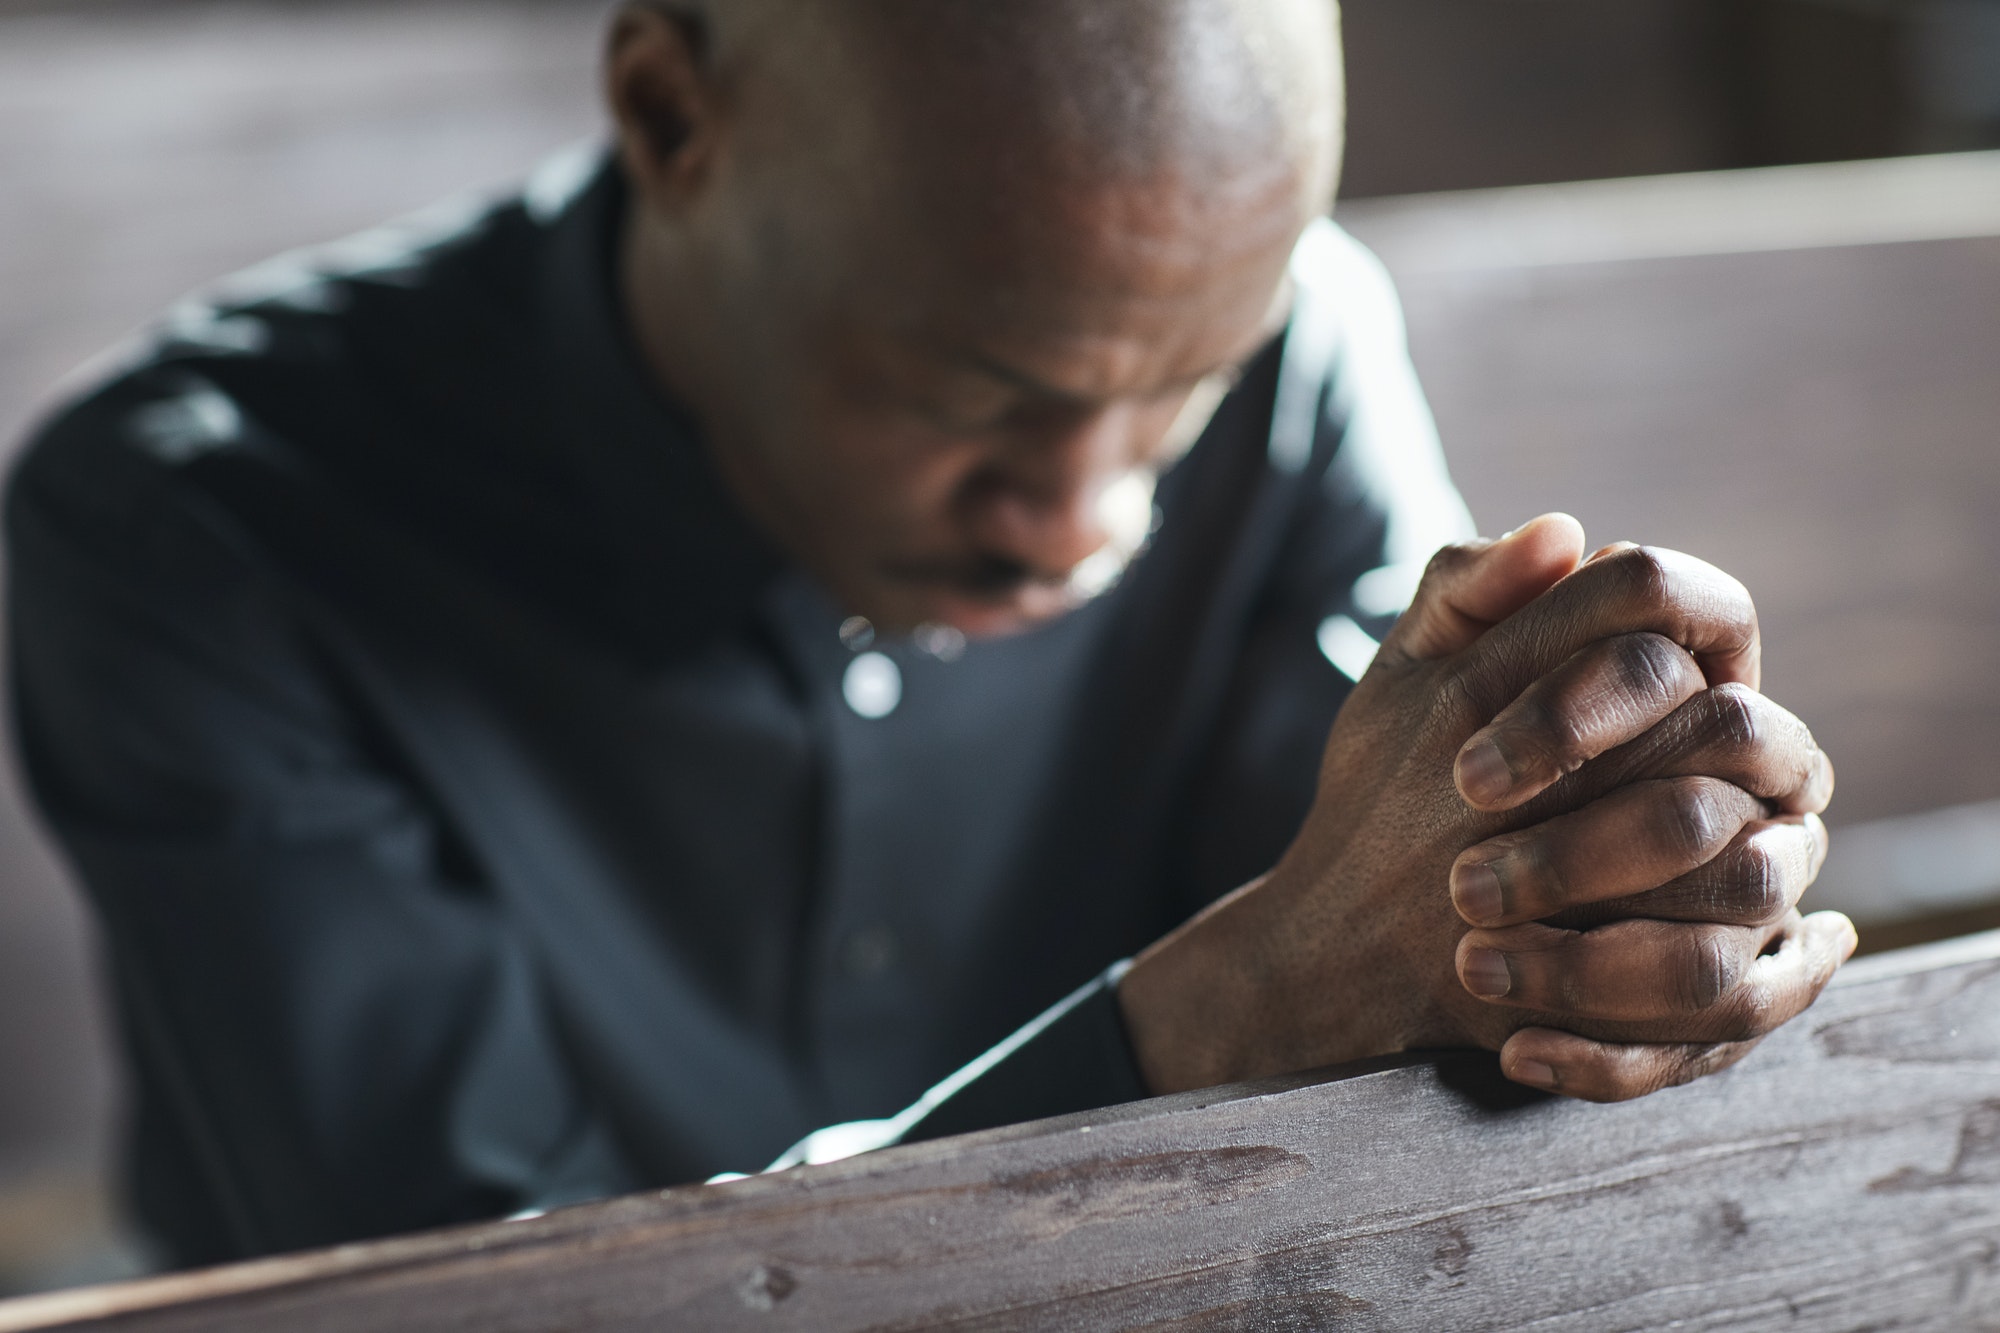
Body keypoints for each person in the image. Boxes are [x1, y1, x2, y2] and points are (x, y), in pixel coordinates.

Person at [5, 0, 1851, 1268]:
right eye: (969, 390)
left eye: (1178, 391)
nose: (1083, 521)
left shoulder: (1301, 355)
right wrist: (1227, 1014)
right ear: (670, 115)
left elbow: (1423, 920)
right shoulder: (195, 533)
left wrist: (1605, 869)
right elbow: (484, 1289)